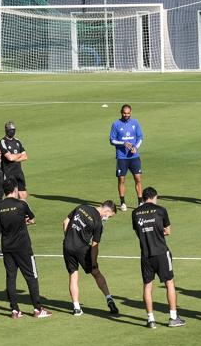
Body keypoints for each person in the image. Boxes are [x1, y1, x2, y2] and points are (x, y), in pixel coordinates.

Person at [131, 188, 185, 328]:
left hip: (145, 255)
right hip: (161, 252)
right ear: (154, 197)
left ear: (143, 198)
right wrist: (158, 233)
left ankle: (150, 320)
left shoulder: (135, 213)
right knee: (169, 283)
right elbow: (168, 231)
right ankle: (173, 317)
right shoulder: (161, 210)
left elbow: (139, 232)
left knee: (147, 286)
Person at [0, 184, 49, 318]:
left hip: (7, 246)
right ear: (15, 190)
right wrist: (25, 221)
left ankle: (14, 310)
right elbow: (31, 218)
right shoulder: (22, 204)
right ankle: (37, 309)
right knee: (31, 276)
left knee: (11, 277)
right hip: (23, 247)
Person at [62, 200, 118, 316]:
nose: (107, 218)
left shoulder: (81, 207)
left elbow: (65, 221)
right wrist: (93, 262)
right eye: (109, 216)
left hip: (67, 246)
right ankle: (109, 298)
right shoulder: (98, 223)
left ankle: (76, 308)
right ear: (107, 210)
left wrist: (68, 238)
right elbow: (94, 246)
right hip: (82, 249)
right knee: (96, 273)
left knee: (73, 276)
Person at [110, 104, 144, 211]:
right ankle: (123, 202)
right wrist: (123, 143)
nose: (126, 115)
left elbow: (140, 137)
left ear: (131, 112)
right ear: (121, 112)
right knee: (121, 179)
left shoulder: (135, 123)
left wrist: (136, 147)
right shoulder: (116, 124)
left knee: (138, 178)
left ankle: (140, 201)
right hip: (122, 157)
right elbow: (112, 140)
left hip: (134, 156)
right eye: (124, 113)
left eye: (128, 113)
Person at [0, 122, 29, 199]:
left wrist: (15, 158)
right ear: (6, 130)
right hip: (9, 173)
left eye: (13, 130)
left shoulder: (18, 141)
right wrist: (19, 155)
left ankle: (23, 210)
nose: (12, 132)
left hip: (19, 173)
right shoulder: (2, 142)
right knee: (12, 196)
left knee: (23, 194)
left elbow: (25, 156)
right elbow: (10, 158)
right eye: (10, 130)